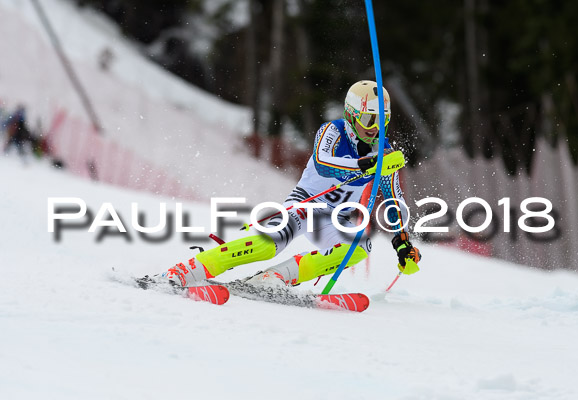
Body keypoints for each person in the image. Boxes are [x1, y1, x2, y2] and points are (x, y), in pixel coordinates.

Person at [150, 80, 422, 288]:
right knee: (267, 245)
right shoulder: (332, 132)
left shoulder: (384, 151)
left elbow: (392, 199)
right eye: (369, 119)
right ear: (351, 115)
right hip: (305, 205)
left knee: (358, 249)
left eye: (383, 119)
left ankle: (275, 278)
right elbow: (325, 162)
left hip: (335, 218)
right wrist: (366, 165)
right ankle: (188, 270)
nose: (376, 127)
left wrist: (402, 243)